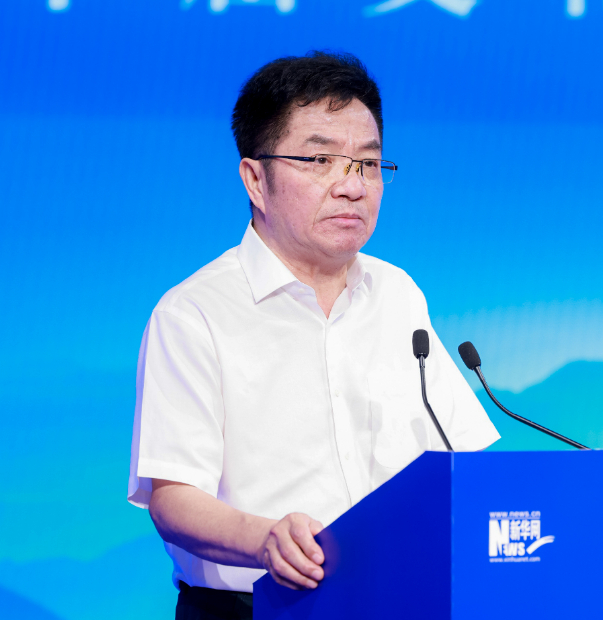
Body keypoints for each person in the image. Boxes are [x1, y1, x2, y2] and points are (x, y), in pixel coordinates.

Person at [126, 51, 500, 619]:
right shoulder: (194, 313)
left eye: (367, 164)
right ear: (256, 179)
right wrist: (266, 539)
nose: (351, 186)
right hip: (256, 607)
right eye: (320, 160)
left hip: (399, 600)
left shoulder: (398, 294)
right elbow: (173, 500)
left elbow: (464, 458)